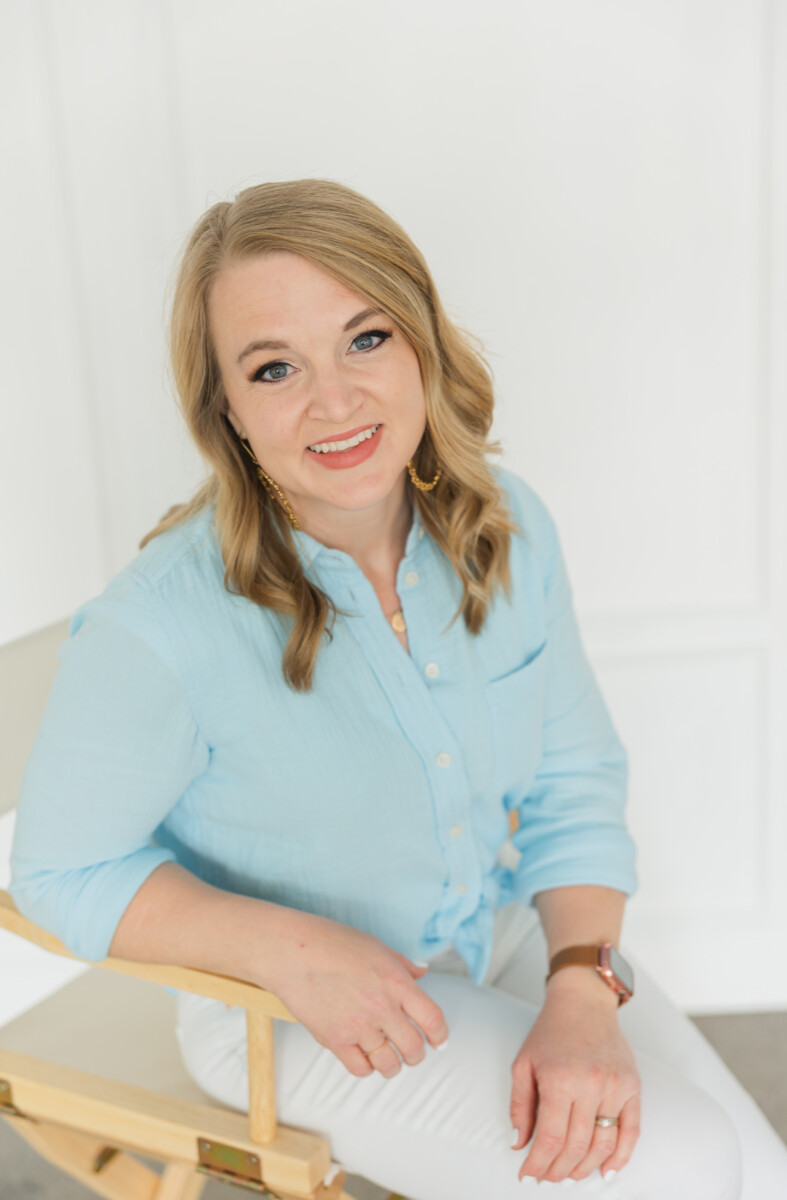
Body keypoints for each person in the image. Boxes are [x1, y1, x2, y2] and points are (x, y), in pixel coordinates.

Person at [9, 178, 787, 1199]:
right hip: (280, 1012)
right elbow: (60, 869)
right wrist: (287, 948)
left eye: (365, 338)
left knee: (757, 1170)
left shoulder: (505, 528)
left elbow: (574, 778)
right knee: (681, 1166)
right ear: (229, 413)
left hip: (494, 928)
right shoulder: (158, 625)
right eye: (274, 367)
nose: (335, 401)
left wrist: (583, 988)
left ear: (422, 341)